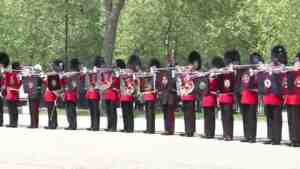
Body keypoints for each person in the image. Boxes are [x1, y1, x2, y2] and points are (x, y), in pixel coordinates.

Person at [260, 45, 287, 145]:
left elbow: (283, 81)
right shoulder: (268, 66)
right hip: (268, 96)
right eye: (274, 57)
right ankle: (270, 137)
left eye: (276, 57)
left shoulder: (282, 67)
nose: (275, 59)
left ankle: (277, 138)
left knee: (276, 119)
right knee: (269, 118)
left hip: (277, 96)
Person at [239, 53, 263, 143]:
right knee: (245, 117)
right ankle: (246, 136)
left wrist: (253, 75)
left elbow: (255, 85)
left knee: (252, 118)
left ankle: (252, 137)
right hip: (245, 96)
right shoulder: (246, 71)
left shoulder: (258, 72)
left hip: (252, 97)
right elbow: (243, 83)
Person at [201, 56, 224, 139]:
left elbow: (217, 88)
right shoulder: (206, 77)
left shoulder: (217, 78)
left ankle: (211, 133)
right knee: (206, 116)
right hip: (206, 98)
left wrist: (214, 76)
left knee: (211, 117)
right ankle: (207, 132)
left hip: (211, 97)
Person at [179, 51, 201, 137]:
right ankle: (187, 130)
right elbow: (182, 82)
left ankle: (191, 130)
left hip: (191, 95)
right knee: (186, 114)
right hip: (185, 95)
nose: (190, 67)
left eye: (192, 65)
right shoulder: (185, 73)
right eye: (190, 65)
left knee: (191, 114)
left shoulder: (195, 73)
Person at [218, 50, 237, 141]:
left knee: (228, 116)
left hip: (229, 96)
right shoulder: (222, 70)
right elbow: (219, 83)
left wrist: (232, 70)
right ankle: (225, 133)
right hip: (222, 96)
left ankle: (229, 134)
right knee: (223, 117)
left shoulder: (233, 71)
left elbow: (234, 82)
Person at [44, 59, 65, 129]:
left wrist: (59, 94)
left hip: (52, 95)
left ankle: (53, 124)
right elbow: (52, 88)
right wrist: (59, 95)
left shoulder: (55, 74)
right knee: (51, 110)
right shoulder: (53, 74)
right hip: (50, 94)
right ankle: (52, 124)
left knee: (52, 110)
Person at [85, 56, 104, 131]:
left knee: (95, 110)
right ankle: (93, 125)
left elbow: (100, 81)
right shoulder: (93, 70)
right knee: (92, 110)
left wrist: (95, 86)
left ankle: (96, 126)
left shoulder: (100, 71)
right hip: (91, 91)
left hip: (95, 92)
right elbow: (88, 79)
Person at [285, 53, 300, 147]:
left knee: (297, 121)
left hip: (297, 99)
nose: (296, 63)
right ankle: (293, 139)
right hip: (291, 99)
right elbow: (288, 85)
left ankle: (297, 139)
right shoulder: (291, 73)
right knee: (291, 120)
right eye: (296, 61)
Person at [159, 59, 178, 135]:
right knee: (165, 114)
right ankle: (166, 129)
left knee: (170, 114)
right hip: (165, 97)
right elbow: (161, 85)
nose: (167, 66)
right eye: (167, 65)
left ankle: (171, 130)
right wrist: (163, 83)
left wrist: (167, 82)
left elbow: (174, 83)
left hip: (171, 96)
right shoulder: (164, 73)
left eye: (169, 65)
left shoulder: (174, 73)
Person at [142, 58, 160, 134]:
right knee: (147, 113)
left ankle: (151, 129)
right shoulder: (148, 75)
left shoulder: (156, 75)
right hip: (147, 94)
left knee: (150, 113)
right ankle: (148, 128)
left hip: (152, 95)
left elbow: (154, 84)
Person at [120, 56, 137, 133]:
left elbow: (132, 83)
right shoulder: (129, 72)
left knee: (127, 112)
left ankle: (129, 128)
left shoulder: (129, 72)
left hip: (127, 94)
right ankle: (128, 127)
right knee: (127, 112)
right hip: (126, 93)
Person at [64, 58, 81, 130]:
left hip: (72, 93)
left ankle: (73, 125)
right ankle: (71, 124)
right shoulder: (72, 73)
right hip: (68, 93)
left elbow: (74, 84)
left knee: (71, 110)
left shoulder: (76, 73)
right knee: (69, 110)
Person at [104, 59, 120, 132]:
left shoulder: (117, 71)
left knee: (113, 111)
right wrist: (106, 83)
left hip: (113, 93)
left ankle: (113, 127)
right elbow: (105, 80)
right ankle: (109, 126)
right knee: (108, 111)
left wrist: (111, 83)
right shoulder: (109, 72)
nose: (113, 64)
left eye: (114, 63)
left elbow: (117, 80)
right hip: (107, 93)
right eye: (112, 63)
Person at [25, 64, 43, 128]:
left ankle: (34, 124)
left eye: (35, 70)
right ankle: (34, 124)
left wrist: (30, 75)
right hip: (34, 94)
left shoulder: (38, 76)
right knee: (33, 110)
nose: (34, 71)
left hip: (35, 94)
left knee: (33, 110)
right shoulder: (36, 76)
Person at [5, 62, 22, 128]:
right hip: (9, 94)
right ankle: (11, 122)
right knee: (10, 110)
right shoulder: (10, 74)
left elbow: (18, 85)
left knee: (14, 110)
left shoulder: (16, 74)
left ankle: (14, 123)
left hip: (14, 95)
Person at [0, 52, 10, 126]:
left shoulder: (4, 72)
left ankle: (0, 122)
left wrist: (3, 87)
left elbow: (5, 82)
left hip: (1, 91)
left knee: (0, 107)